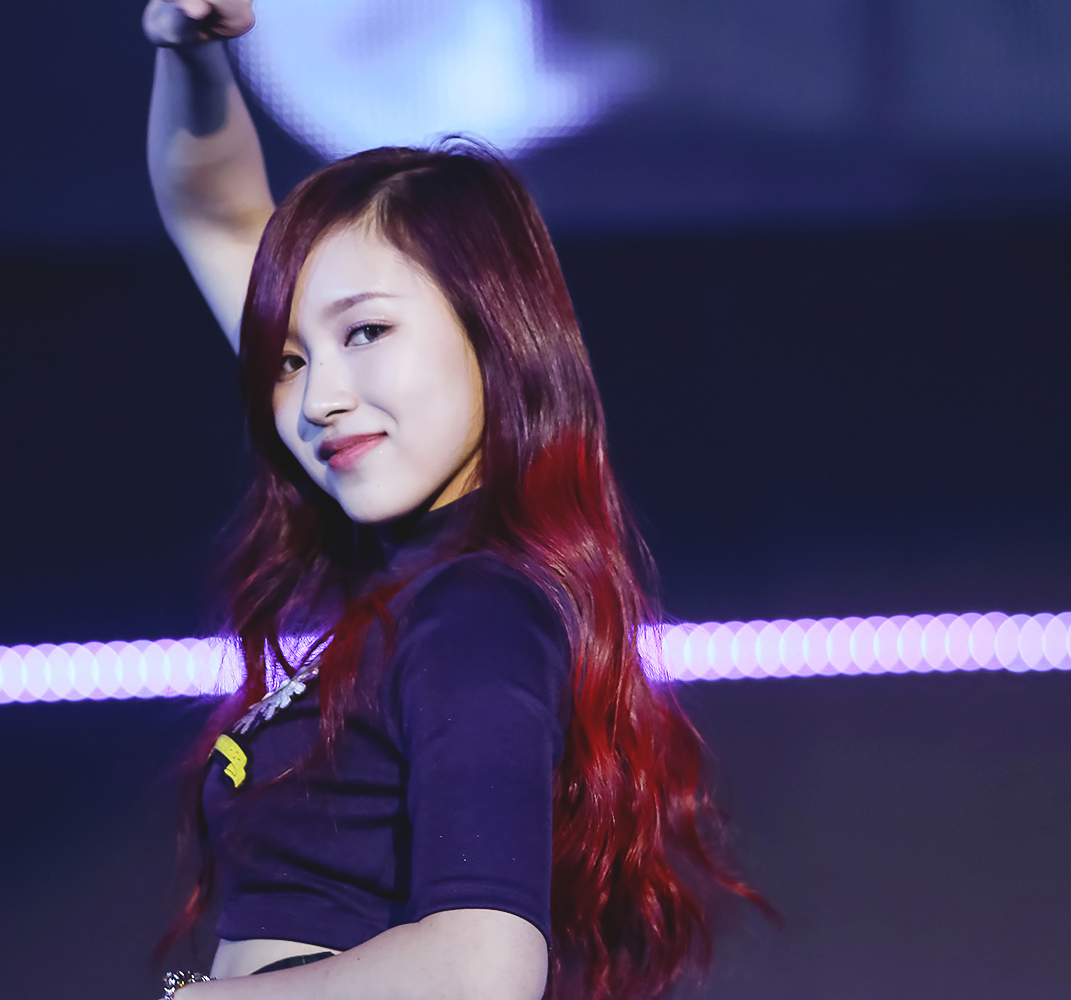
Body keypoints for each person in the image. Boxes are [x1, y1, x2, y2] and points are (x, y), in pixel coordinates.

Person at [143, 3, 763, 998]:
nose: (320, 395)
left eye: (366, 333)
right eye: (289, 359)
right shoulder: (421, 588)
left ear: (491, 331)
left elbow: (482, 967)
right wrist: (193, 52)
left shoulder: (475, 610)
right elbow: (213, 209)